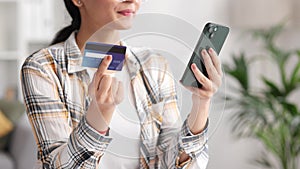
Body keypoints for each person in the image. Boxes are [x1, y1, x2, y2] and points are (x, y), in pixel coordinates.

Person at [21, 0, 223, 168]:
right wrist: (98, 115)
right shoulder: (44, 68)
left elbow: (171, 164)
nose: (132, 0)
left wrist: (201, 102)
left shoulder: (153, 65)